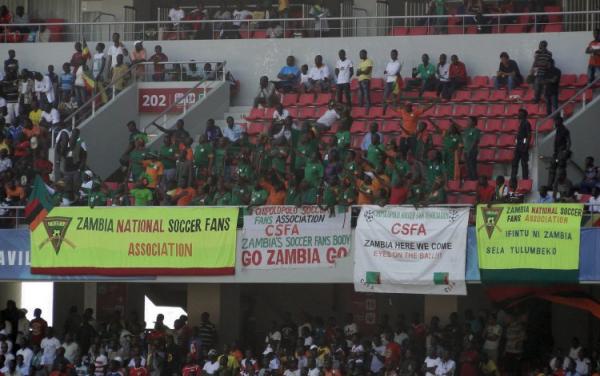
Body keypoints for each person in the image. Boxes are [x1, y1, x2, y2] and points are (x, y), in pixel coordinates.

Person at [547, 116, 571, 187]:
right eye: (555, 121)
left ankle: (563, 185)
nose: (555, 122)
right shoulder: (558, 129)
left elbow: (569, 142)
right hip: (556, 152)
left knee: (561, 169)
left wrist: (566, 151)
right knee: (552, 168)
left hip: (562, 152)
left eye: (556, 121)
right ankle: (550, 185)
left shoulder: (565, 130)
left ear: (560, 121)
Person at [510, 109, 531, 180]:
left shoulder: (526, 123)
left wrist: (526, 145)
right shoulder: (521, 123)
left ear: (523, 115)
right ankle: (513, 178)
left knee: (524, 164)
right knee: (515, 163)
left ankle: (525, 180)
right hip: (518, 146)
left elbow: (528, 135)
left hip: (523, 146)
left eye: (520, 113)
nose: (518, 114)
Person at [383, 49, 402, 113]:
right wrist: (388, 73)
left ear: (396, 55)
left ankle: (394, 112)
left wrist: (387, 72)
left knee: (394, 97)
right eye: (391, 54)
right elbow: (385, 72)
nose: (392, 55)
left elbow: (394, 72)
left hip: (395, 81)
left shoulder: (398, 63)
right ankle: (384, 111)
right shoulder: (389, 63)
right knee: (385, 96)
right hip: (388, 81)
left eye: (393, 54)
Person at [462, 116, 480, 180]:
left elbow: (476, 141)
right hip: (466, 151)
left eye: (469, 120)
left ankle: (474, 180)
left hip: (472, 151)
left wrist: (470, 150)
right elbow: (460, 128)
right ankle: (470, 180)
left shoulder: (476, 130)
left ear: (473, 122)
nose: (467, 122)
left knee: (472, 167)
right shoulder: (467, 130)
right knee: (468, 167)